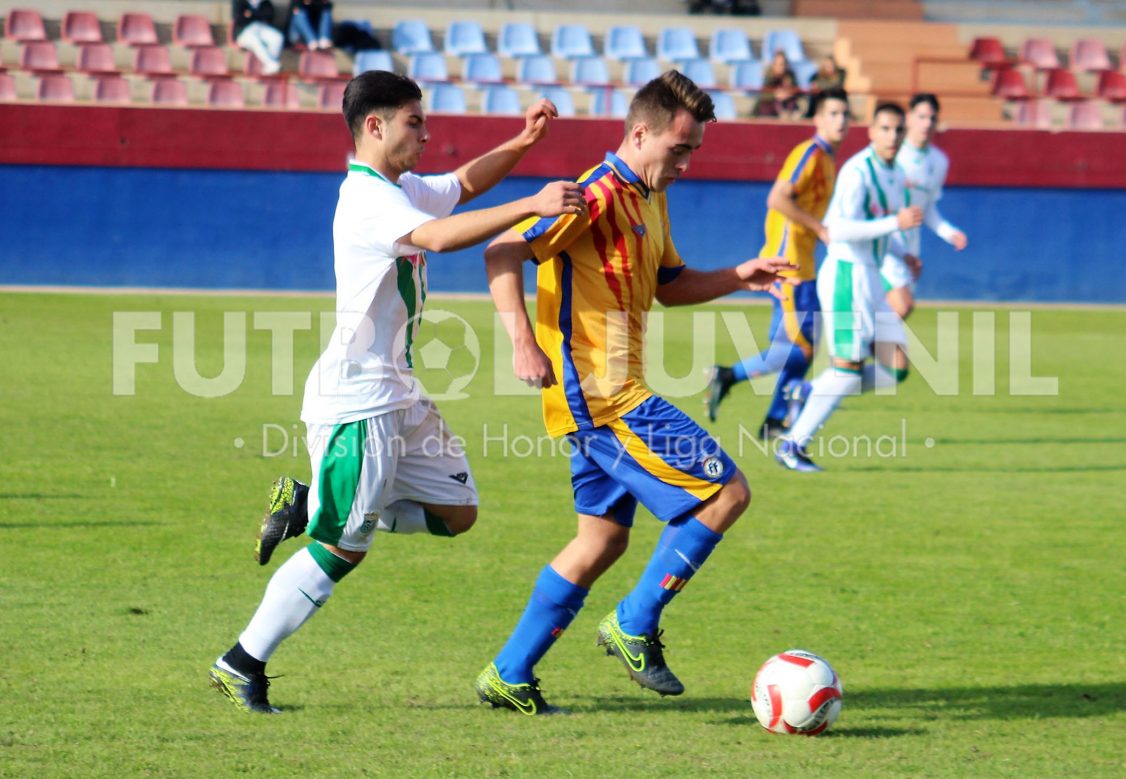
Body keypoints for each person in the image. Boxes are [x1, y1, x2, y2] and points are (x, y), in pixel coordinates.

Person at [208, 70, 586, 714]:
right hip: (358, 401)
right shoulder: (367, 200)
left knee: (457, 512)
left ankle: (309, 501)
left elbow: (463, 185)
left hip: (398, 395)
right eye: (415, 121)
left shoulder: (398, 188)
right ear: (375, 126)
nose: (427, 133)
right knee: (342, 549)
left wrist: (523, 143)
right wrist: (532, 203)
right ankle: (240, 662)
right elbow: (440, 236)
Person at [472, 71, 791, 715]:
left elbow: (669, 286)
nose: (686, 163)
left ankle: (508, 672)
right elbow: (502, 252)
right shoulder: (594, 194)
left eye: (693, 151)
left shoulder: (650, 195)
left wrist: (738, 276)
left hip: (607, 396)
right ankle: (634, 622)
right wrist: (522, 342)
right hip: (603, 395)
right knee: (726, 492)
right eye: (679, 149)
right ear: (640, 134)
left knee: (602, 542)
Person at [777, 103, 924, 473]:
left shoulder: (896, 173)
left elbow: (880, 228)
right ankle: (791, 446)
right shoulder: (857, 171)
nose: (892, 136)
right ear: (871, 131)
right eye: (885, 129)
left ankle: (810, 391)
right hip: (847, 275)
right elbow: (839, 230)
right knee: (848, 369)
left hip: (872, 277)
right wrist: (895, 223)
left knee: (896, 368)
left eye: (898, 130)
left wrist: (902, 253)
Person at [706, 87, 850, 440]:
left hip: (804, 265)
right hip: (790, 265)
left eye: (846, 114)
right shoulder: (810, 154)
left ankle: (765, 410)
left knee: (794, 349)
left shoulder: (828, 159)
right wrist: (820, 229)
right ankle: (751, 396)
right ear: (818, 118)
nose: (841, 120)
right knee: (801, 348)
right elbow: (777, 198)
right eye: (833, 113)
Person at [883, 93, 969, 319]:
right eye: (921, 117)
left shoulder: (938, 162)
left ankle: (862, 340)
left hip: (911, 248)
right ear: (909, 118)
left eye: (932, 118)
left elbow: (926, 208)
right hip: (886, 243)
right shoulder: (893, 153)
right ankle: (862, 339)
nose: (927, 124)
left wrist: (948, 232)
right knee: (901, 306)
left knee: (894, 312)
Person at [231, 0, 284, 76]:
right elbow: (238, 18)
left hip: (260, 27)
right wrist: (258, 14)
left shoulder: (264, 2)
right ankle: (271, 64)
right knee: (255, 40)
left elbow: (270, 15)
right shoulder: (239, 1)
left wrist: (251, 14)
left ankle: (269, 67)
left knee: (277, 37)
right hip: (243, 32)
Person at [752, 50, 801, 118]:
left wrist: (788, 94)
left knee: (792, 105)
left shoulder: (790, 75)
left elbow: (797, 91)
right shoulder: (769, 76)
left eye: (783, 64)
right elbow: (763, 95)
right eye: (778, 64)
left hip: (786, 105)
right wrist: (776, 95)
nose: (781, 67)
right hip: (769, 108)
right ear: (774, 64)